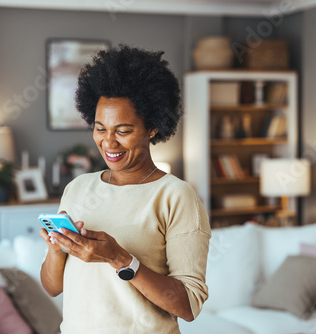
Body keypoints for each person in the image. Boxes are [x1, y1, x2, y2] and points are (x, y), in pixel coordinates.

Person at [40, 44, 211, 334]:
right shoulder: (78, 188)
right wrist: (58, 249)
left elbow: (188, 306)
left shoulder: (176, 196)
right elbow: (53, 287)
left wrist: (119, 258)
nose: (108, 142)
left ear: (152, 127)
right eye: (100, 128)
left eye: (123, 130)